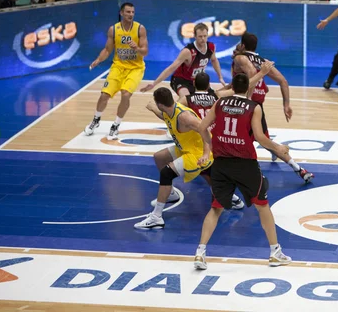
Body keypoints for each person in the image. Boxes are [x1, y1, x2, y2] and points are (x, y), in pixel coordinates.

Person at [193, 73, 292, 270]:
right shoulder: (253, 108)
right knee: (262, 206)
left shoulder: (220, 103)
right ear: (249, 88)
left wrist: (212, 145)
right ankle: (275, 252)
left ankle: (200, 253)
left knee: (215, 208)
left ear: (233, 87)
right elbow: (259, 137)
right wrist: (278, 147)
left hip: (221, 163)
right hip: (245, 164)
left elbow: (202, 127)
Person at [134, 87, 246, 230]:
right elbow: (163, 115)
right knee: (160, 157)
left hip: (197, 152)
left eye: (156, 104)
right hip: (185, 147)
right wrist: (153, 109)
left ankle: (156, 217)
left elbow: (204, 129)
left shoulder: (184, 116)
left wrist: (206, 154)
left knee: (166, 173)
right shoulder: (169, 109)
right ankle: (172, 194)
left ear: (160, 104)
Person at [232, 33, 314, 183]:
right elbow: (283, 81)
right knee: (264, 139)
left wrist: (247, 99)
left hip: (244, 105)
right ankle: (298, 168)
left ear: (243, 45)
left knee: (235, 139)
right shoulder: (263, 62)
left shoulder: (240, 58)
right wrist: (286, 105)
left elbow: (250, 72)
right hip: (258, 106)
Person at [85, 3, 148, 139]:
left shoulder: (140, 29)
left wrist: (136, 48)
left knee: (125, 95)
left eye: (132, 12)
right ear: (121, 13)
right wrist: (98, 60)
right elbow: (107, 50)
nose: (131, 14)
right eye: (128, 12)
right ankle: (96, 120)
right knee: (104, 95)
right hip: (118, 66)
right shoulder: (113, 30)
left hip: (135, 68)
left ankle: (115, 125)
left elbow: (145, 51)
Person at [140, 23, 225, 99]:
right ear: (194, 36)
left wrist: (220, 77)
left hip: (197, 81)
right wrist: (154, 83)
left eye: (205, 36)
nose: (203, 39)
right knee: (186, 98)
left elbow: (214, 60)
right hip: (181, 80)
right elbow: (171, 68)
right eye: (200, 36)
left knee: (212, 98)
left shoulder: (211, 47)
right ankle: (174, 112)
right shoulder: (187, 51)